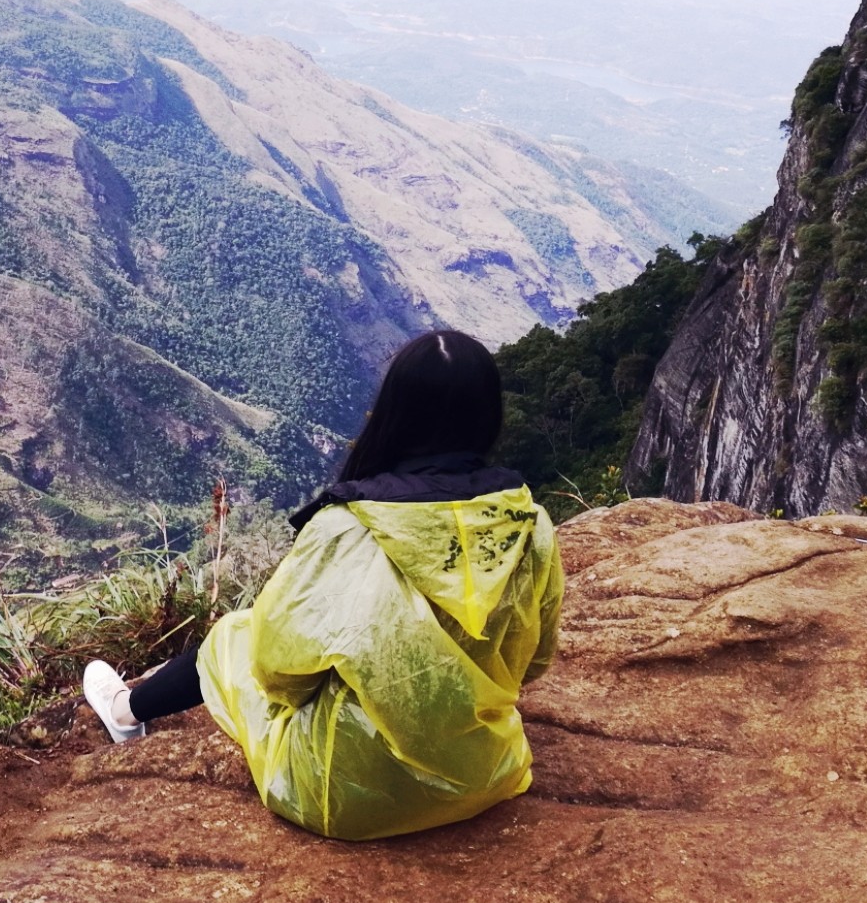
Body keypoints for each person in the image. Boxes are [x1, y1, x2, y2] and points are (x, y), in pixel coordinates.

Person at [81, 329, 564, 840]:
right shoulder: (529, 524)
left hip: (345, 795)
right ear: (487, 415)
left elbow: (275, 665)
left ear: (396, 414)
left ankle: (124, 713)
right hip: (483, 775)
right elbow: (533, 663)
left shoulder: (348, 528)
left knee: (232, 635)